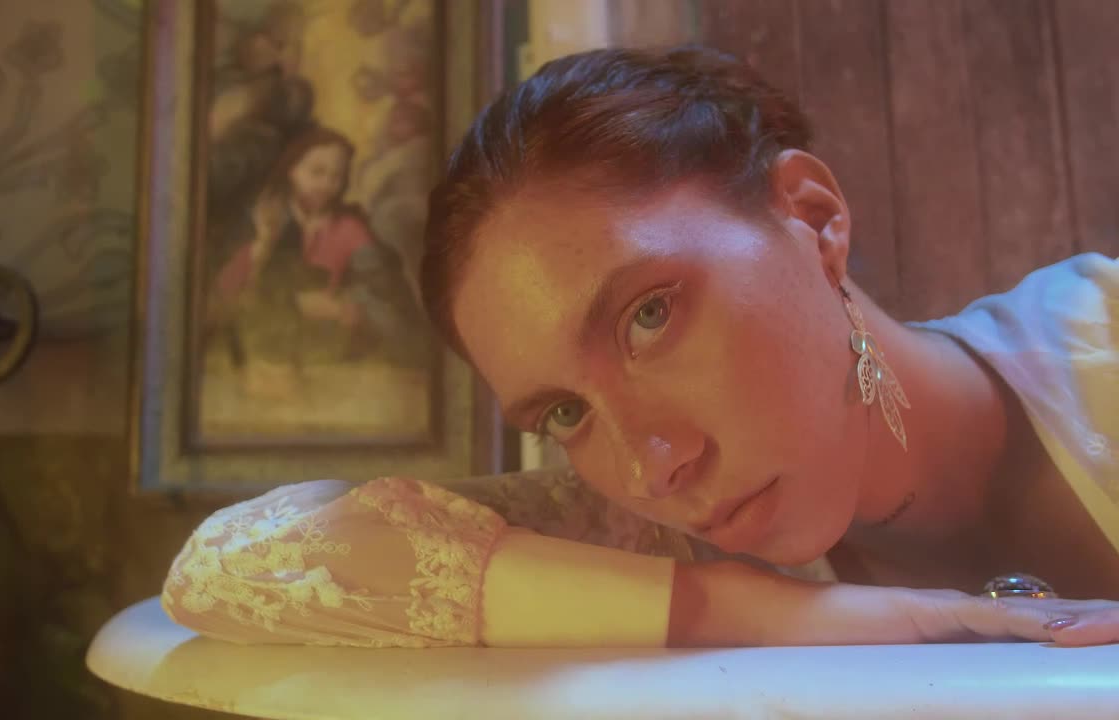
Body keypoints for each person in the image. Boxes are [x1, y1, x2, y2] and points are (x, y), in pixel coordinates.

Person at [165, 45, 1119, 649]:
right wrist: (745, 609)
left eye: (648, 317)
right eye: (565, 412)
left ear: (812, 217)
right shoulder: (653, 539)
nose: (653, 466)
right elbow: (230, 566)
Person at [206, 126, 430, 398]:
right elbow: (222, 296)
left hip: (327, 358)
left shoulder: (349, 229)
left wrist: (345, 307)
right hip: (257, 357)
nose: (326, 184)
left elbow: (387, 298)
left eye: (336, 176)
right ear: (292, 170)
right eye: (317, 172)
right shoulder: (261, 218)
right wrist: (262, 245)